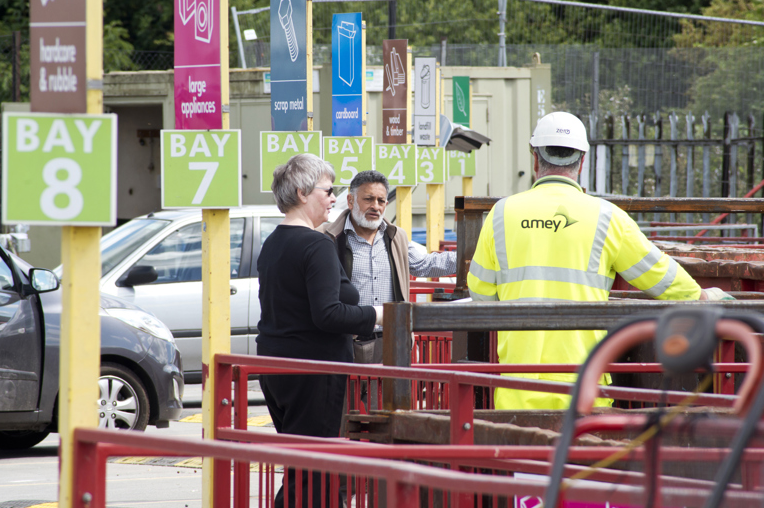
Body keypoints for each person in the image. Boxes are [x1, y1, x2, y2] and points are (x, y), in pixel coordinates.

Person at [466, 111, 723, 410]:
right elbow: (660, 276)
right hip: (585, 395)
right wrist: (702, 296)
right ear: (583, 161)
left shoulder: (501, 214)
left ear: (535, 158)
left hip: (515, 397)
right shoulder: (608, 217)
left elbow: (480, 293)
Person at [256, 153, 381, 508]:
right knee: (315, 471)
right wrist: (376, 315)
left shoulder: (273, 244)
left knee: (301, 465)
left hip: (277, 366)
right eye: (329, 190)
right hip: (315, 368)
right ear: (301, 193)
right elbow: (328, 314)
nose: (334, 197)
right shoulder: (316, 244)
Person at [319, 170, 457, 364]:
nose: (375, 206)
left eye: (381, 201)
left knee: (392, 395)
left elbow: (424, 264)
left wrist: (470, 258)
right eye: (368, 199)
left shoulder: (395, 236)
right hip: (347, 344)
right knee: (348, 395)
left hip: (392, 341)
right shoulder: (329, 238)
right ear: (350, 200)